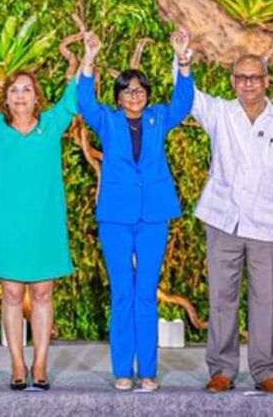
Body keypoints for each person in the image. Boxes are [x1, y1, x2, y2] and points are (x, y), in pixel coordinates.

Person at [189, 53, 273, 394]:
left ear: (266, 81)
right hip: (222, 222)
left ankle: (266, 371)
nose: (248, 83)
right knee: (221, 299)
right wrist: (182, 58)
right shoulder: (219, 113)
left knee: (265, 301)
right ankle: (221, 371)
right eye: (241, 77)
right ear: (232, 81)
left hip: (266, 227)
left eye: (254, 77)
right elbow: (186, 95)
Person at [77, 28, 194, 392]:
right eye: (128, 89)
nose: (135, 94)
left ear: (147, 94)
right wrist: (89, 57)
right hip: (115, 216)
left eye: (140, 89)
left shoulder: (159, 117)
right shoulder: (108, 121)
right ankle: (122, 371)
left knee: (146, 291)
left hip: (153, 216)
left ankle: (148, 371)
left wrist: (183, 60)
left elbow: (183, 103)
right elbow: (84, 101)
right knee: (122, 293)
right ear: (119, 96)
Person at [0, 61, 78, 391]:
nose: (20, 95)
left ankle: (40, 363)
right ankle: (17, 363)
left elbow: (73, 96)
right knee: (12, 293)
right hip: (8, 222)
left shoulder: (52, 125)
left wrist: (86, 58)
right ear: (6, 99)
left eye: (26, 89)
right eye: (13, 90)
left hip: (44, 221)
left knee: (43, 292)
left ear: (36, 97)